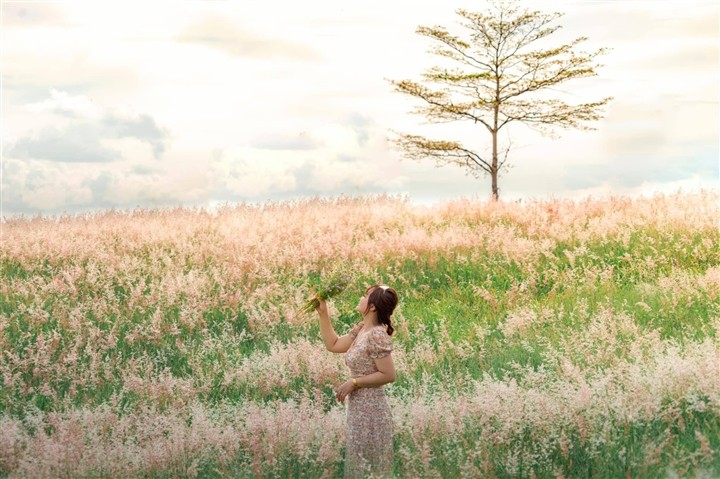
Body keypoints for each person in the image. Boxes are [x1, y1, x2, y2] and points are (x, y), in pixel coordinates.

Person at [315, 284, 397, 479]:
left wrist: (354, 382)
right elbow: (333, 344)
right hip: (358, 408)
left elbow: (388, 374)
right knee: (358, 465)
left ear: (373, 306)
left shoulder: (377, 334)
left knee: (369, 468)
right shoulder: (362, 329)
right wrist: (323, 313)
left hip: (372, 410)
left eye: (365, 295)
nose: (361, 297)